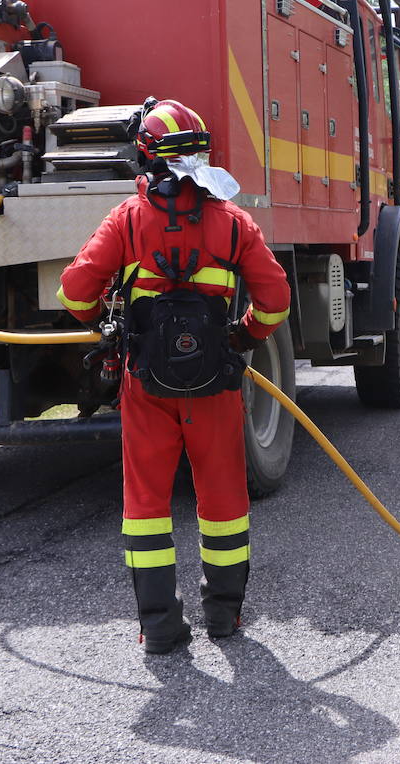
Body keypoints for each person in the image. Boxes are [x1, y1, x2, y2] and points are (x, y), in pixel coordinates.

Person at [58, 98, 291, 652]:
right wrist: (243, 338)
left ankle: (160, 627)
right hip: (215, 385)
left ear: (146, 155)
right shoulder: (234, 224)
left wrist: (106, 325)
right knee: (224, 498)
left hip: (147, 386)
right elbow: (276, 300)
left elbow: (73, 292)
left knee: (145, 504)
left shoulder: (127, 219)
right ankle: (225, 617)